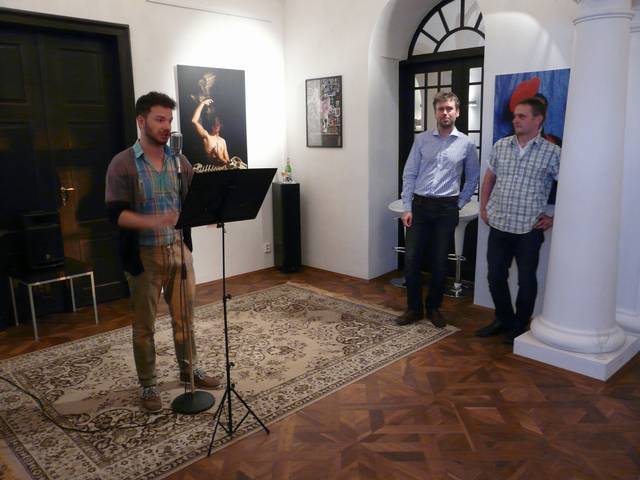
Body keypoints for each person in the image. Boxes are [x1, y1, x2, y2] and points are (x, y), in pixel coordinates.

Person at [105, 91, 220, 413]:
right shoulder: (122, 164)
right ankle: (148, 384)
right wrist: (153, 220)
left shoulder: (179, 162)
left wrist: (210, 212)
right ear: (141, 121)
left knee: (185, 319)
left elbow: (195, 200)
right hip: (144, 256)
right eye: (160, 119)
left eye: (169, 120)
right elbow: (115, 215)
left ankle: (189, 369)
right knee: (145, 326)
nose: (167, 126)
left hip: (179, 252)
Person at [475, 96, 560, 344]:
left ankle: (519, 325)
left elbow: (570, 187)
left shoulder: (552, 152)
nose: (515, 120)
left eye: (522, 116)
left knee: (526, 280)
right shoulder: (501, 145)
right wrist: (483, 208)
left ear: (538, 120)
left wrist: (554, 218)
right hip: (499, 224)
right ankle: (504, 319)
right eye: (514, 116)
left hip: (528, 228)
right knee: (495, 276)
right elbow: (489, 179)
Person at [397, 91, 479, 328]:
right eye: (441, 109)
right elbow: (409, 174)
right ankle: (414, 309)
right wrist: (407, 206)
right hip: (420, 207)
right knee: (411, 259)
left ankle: (433, 308)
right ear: (435, 112)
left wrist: (459, 203)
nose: (445, 113)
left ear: (457, 112)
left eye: (449, 108)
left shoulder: (466, 143)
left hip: (446, 209)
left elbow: (473, 177)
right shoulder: (422, 140)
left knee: (440, 262)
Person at [192, 98, 230, 166]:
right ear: (212, 125)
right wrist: (202, 103)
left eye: (218, 123)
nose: (217, 125)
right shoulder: (207, 136)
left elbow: (228, 163)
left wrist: (221, 158)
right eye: (215, 123)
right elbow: (194, 121)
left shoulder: (223, 141)